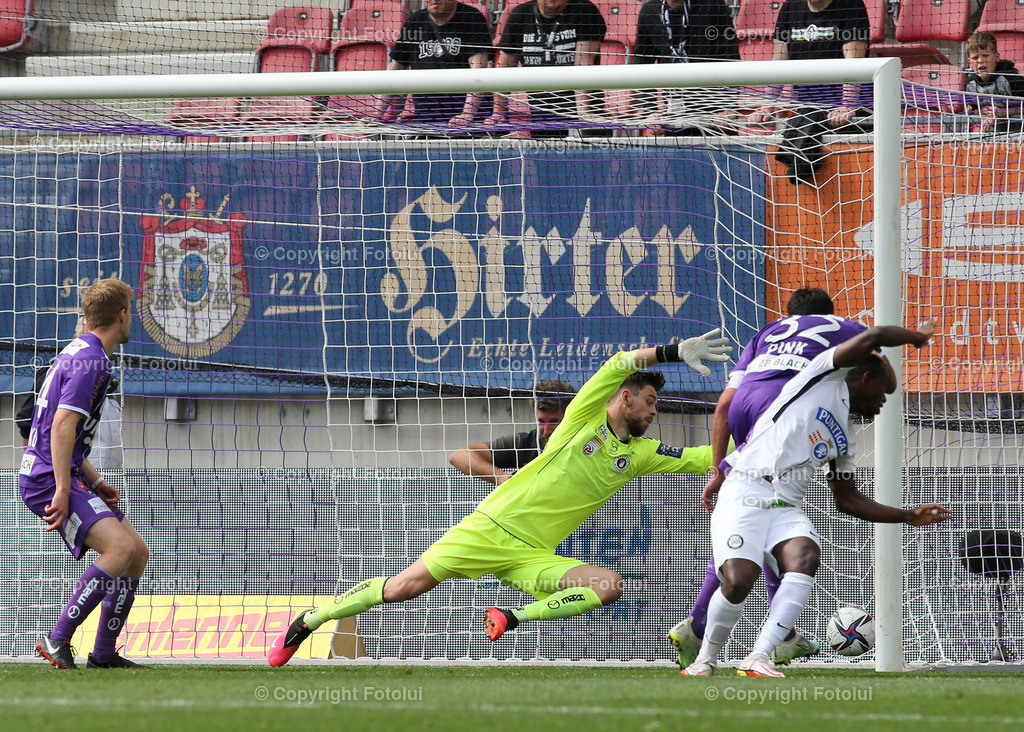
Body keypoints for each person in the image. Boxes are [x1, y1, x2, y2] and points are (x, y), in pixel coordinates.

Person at [268, 329, 732, 666]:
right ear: (625, 398)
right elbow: (616, 364)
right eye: (650, 401)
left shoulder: (643, 453)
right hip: (489, 528)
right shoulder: (581, 419)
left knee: (607, 586)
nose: (655, 412)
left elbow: (698, 458)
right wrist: (672, 352)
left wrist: (763, 431)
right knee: (403, 589)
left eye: (657, 406)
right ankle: (311, 619)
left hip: (532, 555)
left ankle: (509, 616)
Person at [680, 320, 952, 678]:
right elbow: (871, 337)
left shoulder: (844, 440)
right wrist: (916, 338)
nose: (883, 404)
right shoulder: (820, 376)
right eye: (883, 395)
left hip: (785, 508)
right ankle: (705, 660)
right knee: (739, 579)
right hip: (745, 489)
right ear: (866, 379)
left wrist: (907, 516)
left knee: (805, 555)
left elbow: (848, 500)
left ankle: (758, 656)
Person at [667, 287, 881, 668]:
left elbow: (724, 406)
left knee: (753, 521)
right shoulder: (838, 327)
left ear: (787, 313)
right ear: (827, 313)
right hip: (786, 408)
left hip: (746, 406)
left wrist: (718, 469)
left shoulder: (766, 334)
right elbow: (877, 360)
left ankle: (714, 626)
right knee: (771, 511)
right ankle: (764, 634)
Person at [19, 278, 148, 670]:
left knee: (136, 553)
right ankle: (56, 638)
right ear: (122, 315)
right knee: (120, 550)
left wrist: (93, 481)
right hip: (47, 478)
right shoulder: (91, 361)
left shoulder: (82, 351)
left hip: (62, 472)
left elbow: (59, 435)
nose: (132, 320)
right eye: (132, 312)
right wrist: (62, 488)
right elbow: (60, 428)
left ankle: (104, 653)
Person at [485, 0, 607, 137]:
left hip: (584, 112)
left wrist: (583, 113)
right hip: (541, 114)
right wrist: (498, 113)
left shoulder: (585, 11)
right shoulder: (520, 15)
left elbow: (584, 65)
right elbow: (504, 70)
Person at [747, 0, 871, 129]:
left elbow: (853, 63)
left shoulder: (851, 5)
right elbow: (779, 62)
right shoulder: (790, 7)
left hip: (851, 113)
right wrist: (767, 107)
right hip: (806, 110)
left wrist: (847, 106)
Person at [376, 0, 493, 128]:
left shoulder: (472, 18)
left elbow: (478, 71)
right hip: (426, 121)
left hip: (470, 123)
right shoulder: (415, 22)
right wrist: (376, 115)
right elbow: (395, 70)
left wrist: (467, 115)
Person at [633, 0, 740, 133]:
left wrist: (728, 106)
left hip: (716, 118)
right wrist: (650, 111)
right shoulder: (649, 11)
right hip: (675, 118)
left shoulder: (713, 5)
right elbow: (642, 65)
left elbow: (730, 57)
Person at [448, 379, 576, 485]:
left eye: (554, 421)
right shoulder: (525, 443)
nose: (547, 431)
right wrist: (500, 477)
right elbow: (459, 456)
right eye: (541, 421)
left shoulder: (583, 441)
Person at [964, 31, 1024, 134]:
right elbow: (972, 110)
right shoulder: (970, 84)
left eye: (985, 55)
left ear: (996, 57)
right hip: (991, 137)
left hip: (1020, 134)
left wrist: (1004, 112)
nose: (980, 61)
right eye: (975, 58)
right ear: (969, 62)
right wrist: (988, 110)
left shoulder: (1011, 79)